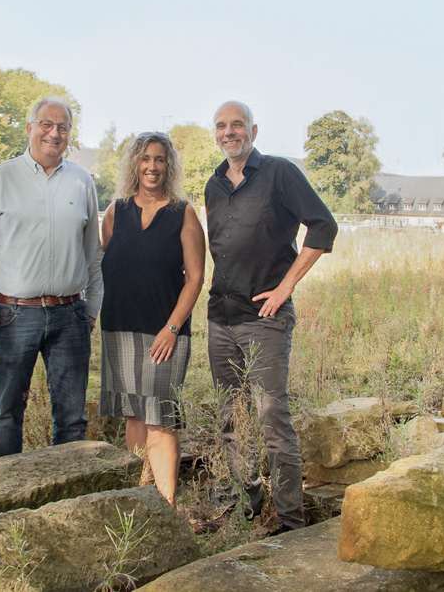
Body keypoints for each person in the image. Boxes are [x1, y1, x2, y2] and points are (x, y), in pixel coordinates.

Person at [205, 100, 337, 533]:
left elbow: (323, 226)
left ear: (254, 131)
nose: (229, 132)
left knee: (271, 417)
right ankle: (246, 501)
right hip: (220, 318)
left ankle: (290, 519)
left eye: (237, 125)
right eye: (222, 126)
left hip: (264, 320)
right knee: (232, 416)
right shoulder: (214, 185)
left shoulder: (279, 173)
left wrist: (286, 286)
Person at [0, 95, 102, 459]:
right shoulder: (2, 178)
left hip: (70, 314)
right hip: (13, 315)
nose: (54, 133)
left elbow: (93, 254)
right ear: (29, 128)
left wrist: (92, 310)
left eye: (62, 127)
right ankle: (6, 498)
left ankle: (67, 498)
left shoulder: (81, 180)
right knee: (8, 412)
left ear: (69, 134)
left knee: (72, 418)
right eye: (46, 124)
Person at [99, 131, 205, 505]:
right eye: (145, 159)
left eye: (160, 159)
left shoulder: (183, 214)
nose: (152, 167)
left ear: (169, 166)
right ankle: (141, 503)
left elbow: (195, 278)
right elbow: (111, 262)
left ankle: (167, 507)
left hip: (166, 332)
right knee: (134, 416)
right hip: (119, 328)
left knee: (161, 419)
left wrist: (172, 327)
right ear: (134, 164)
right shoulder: (115, 211)